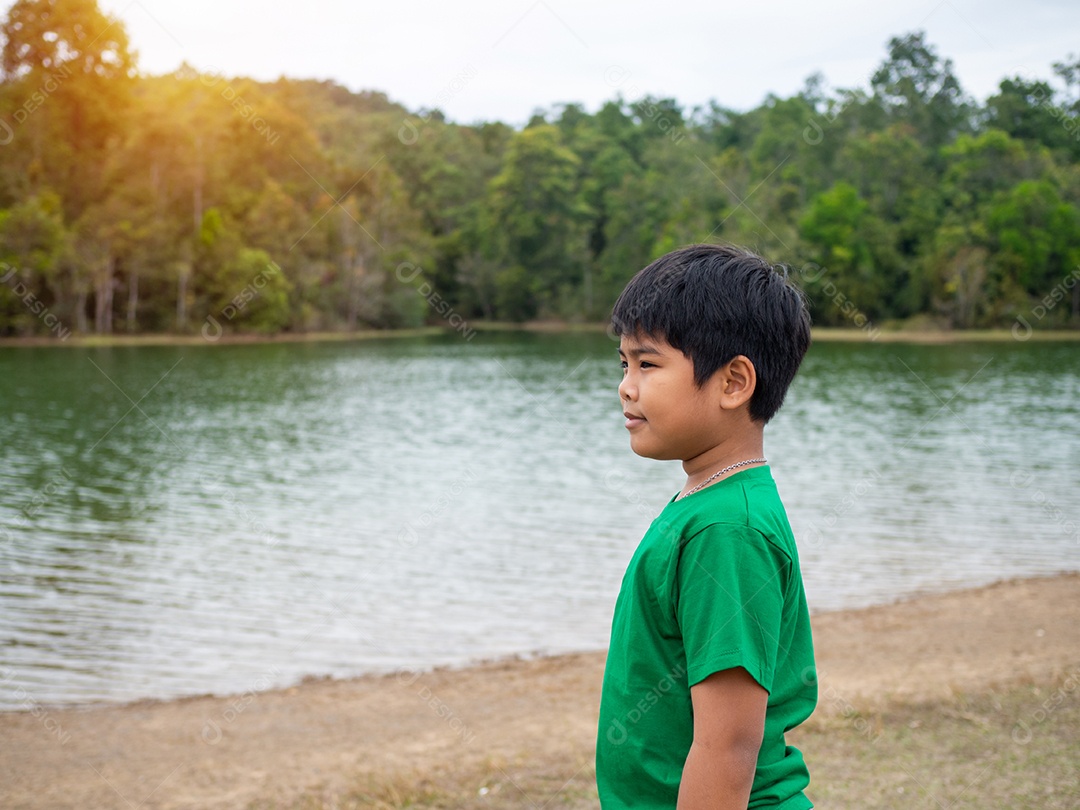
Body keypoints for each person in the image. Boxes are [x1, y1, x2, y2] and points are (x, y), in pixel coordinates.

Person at [596, 243, 817, 809]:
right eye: (624, 364)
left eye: (648, 364)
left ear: (733, 383)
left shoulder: (727, 530)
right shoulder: (708, 503)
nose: (626, 385)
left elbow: (728, 747)